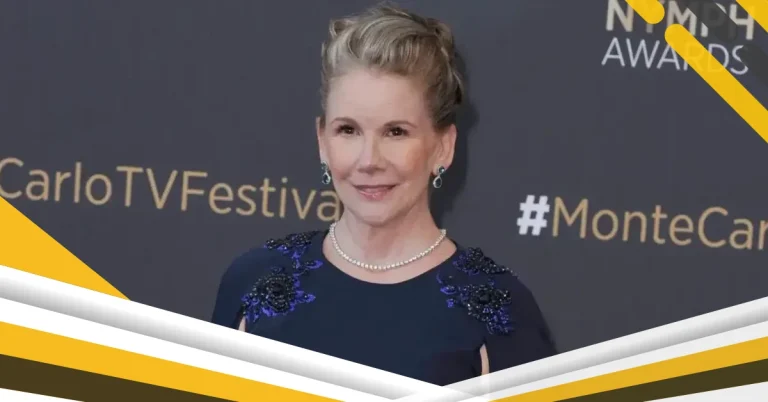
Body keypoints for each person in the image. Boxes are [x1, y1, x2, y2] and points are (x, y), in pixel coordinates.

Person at [211, 3, 556, 385]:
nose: (369, 161)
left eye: (396, 132)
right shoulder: (253, 281)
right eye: (348, 130)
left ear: (443, 146)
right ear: (322, 141)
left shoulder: (499, 311)